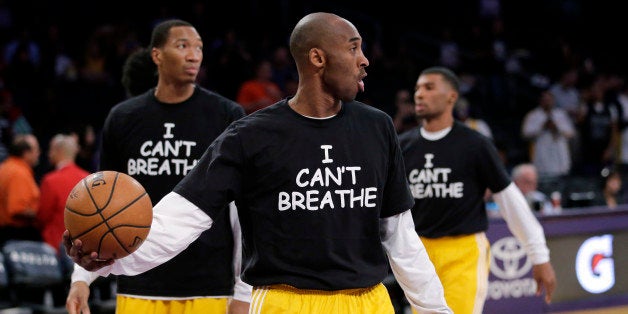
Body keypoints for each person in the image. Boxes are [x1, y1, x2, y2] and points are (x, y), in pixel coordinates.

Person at [65, 12, 452, 314]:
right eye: (353, 48)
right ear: (317, 58)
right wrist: (106, 262)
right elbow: (178, 220)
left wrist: (434, 307)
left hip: (370, 300)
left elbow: (401, 237)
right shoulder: (250, 136)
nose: (364, 60)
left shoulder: (378, 127)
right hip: (284, 301)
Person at [65, 19, 250, 314]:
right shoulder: (123, 118)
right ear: (157, 55)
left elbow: (242, 209)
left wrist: (244, 292)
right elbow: (98, 205)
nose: (194, 55)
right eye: (182, 46)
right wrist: (81, 279)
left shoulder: (226, 115)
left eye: (199, 47)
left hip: (209, 287)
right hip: (138, 285)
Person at [398, 66, 556, 314]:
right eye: (417, 88)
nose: (419, 94)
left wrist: (539, 255)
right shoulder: (403, 146)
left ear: (452, 96)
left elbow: (510, 201)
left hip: (464, 252)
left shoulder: (475, 144)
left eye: (429, 88)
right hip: (420, 253)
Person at [37, 133, 89, 252]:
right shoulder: (88, 179)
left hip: (55, 248)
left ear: (57, 151)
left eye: (50, 150)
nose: (48, 154)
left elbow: (42, 217)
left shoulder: (50, 180)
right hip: (82, 249)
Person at [0, 133, 41, 247]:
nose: (38, 153)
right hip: (16, 236)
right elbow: (17, 209)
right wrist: (41, 214)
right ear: (26, 153)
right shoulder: (19, 173)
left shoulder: (6, 167)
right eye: (36, 149)